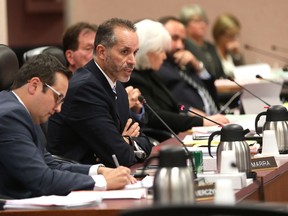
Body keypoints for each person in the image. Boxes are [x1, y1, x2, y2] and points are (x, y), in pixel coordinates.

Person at [0, 54, 136, 199]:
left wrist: (99, 171)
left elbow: (51, 164)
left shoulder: (24, 112)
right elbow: (41, 180)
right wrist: (103, 182)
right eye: (58, 98)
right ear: (34, 85)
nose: (59, 109)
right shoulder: (10, 116)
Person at [47, 18, 153, 167]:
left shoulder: (119, 88)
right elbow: (120, 156)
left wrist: (126, 141)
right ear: (102, 52)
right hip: (77, 180)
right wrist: (122, 143)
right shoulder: (85, 89)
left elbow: (144, 140)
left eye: (135, 52)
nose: (132, 61)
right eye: (125, 52)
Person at [125, 19, 229, 134]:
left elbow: (176, 106)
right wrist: (201, 121)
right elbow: (154, 116)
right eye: (161, 51)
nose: (164, 57)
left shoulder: (150, 74)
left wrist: (191, 113)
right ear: (147, 52)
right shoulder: (135, 78)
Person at [62, 21, 145, 122]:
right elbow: (110, 136)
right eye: (89, 49)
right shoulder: (83, 88)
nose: (133, 61)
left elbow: (138, 133)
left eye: (135, 52)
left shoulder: (117, 85)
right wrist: (124, 137)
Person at [157, 16, 220, 116]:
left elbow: (212, 92)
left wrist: (198, 66)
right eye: (174, 38)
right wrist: (189, 111)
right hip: (192, 124)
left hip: (215, 119)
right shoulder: (157, 68)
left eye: (183, 41)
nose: (180, 46)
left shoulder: (184, 62)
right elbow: (165, 104)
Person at [179, 4, 225, 79]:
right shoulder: (183, 46)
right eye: (197, 21)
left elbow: (221, 72)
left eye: (204, 21)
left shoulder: (210, 46)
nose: (203, 25)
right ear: (185, 24)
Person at [212, 13, 245, 78]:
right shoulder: (211, 54)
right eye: (230, 36)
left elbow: (242, 74)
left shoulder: (232, 55)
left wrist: (236, 54)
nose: (234, 39)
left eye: (236, 35)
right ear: (219, 35)